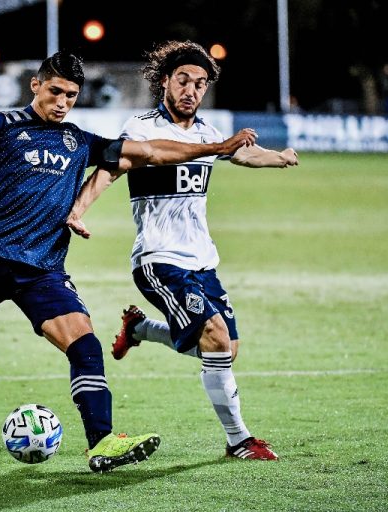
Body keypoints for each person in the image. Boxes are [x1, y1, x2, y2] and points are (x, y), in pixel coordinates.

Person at [0, 51, 257, 473]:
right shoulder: (0, 126)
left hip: (43, 273)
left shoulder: (80, 141)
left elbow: (149, 151)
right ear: (36, 85)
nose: (62, 102)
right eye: (55, 91)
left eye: (71, 95)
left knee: (86, 344)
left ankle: (101, 442)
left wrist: (217, 148)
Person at [66, 41, 298, 461]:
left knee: (225, 350)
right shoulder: (141, 128)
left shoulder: (208, 133)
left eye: (200, 83)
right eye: (184, 81)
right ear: (165, 82)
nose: (191, 90)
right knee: (215, 336)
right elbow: (109, 171)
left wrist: (278, 157)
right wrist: (78, 210)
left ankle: (140, 330)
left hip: (202, 261)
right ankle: (239, 440)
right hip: (159, 259)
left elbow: (244, 154)